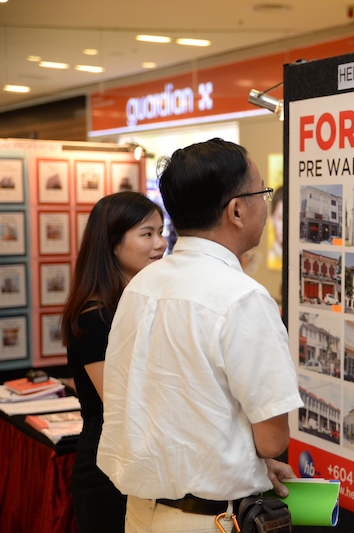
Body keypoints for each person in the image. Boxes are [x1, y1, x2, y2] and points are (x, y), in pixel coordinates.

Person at [97, 138, 303, 533]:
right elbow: (273, 439)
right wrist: (253, 455)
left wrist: (243, 456)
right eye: (263, 191)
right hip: (211, 520)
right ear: (237, 210)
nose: (266, 202)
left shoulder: (141, 286)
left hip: (141, 513)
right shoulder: (243, 298)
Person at [62, 191, 166, 533]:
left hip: (141, 460)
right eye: (147, 233)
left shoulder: (138, 302)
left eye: (161, 231)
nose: (160, 243)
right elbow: (121, 399)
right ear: (112, 243)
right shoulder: (94, 316)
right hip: (107, 468)